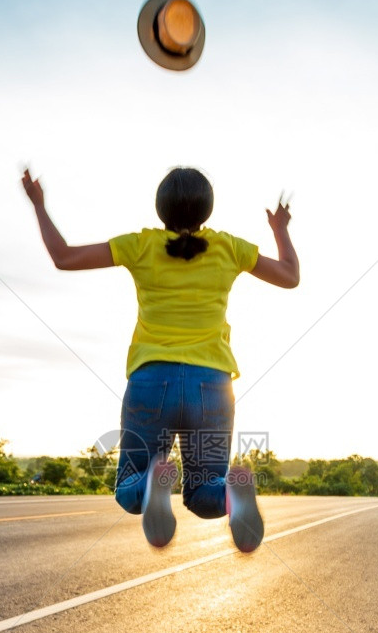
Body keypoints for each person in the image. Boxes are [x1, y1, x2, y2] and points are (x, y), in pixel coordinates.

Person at [21, 166, 299, 552]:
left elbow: (63, 257)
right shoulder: (230, 248)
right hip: (212, 386)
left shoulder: (141, 245)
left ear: (160, 209)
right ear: (207, 210)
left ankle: (153, 478)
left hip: (152, 381)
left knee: (127, 487)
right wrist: (280, 229)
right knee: (204, 492)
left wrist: (39, 204)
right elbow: (289, 276)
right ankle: (233, 494)